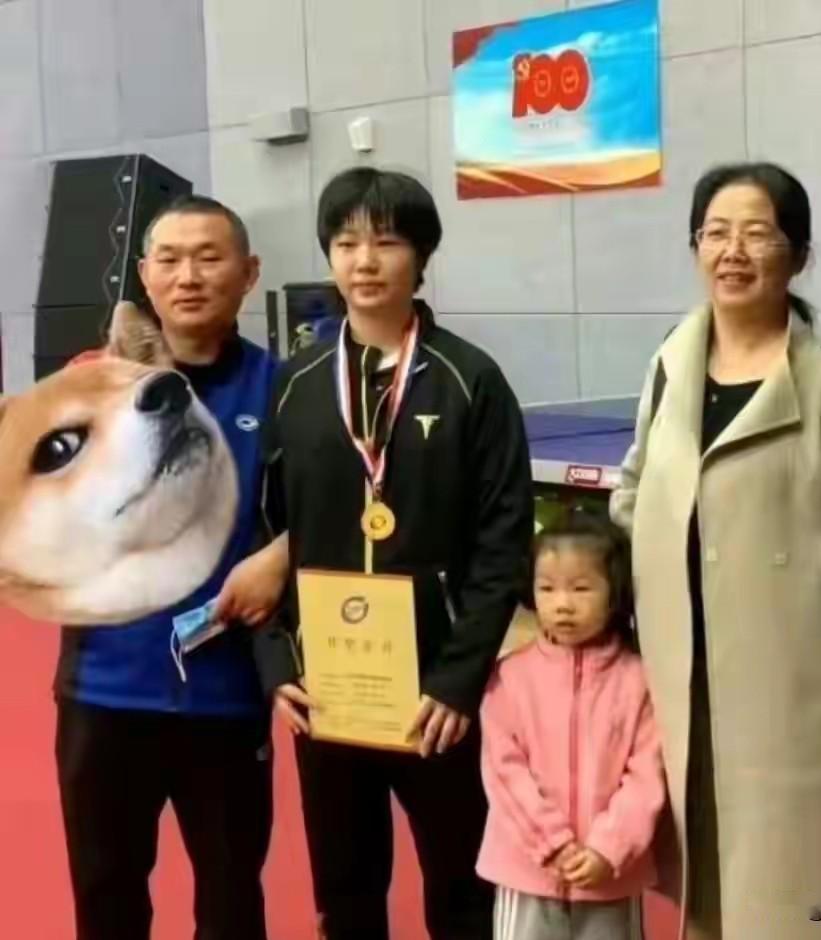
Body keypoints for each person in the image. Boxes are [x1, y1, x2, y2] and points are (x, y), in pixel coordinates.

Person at [610, 162, 821, 940]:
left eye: (758, 233)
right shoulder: (669, 368)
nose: (734, 251)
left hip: (804, 693)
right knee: (711, 887)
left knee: (803, 890)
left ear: (799, 254)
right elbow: (634, 486)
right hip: (687, 680)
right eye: (715, 233)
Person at [254, 166, 535, 940]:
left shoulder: (471, 380)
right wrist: (278, 662)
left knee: (463, 889)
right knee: (345, 892)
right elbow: (263, 530)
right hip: (329, 689)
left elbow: (504, 539)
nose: (365, 261)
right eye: (346, 243)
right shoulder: (295, 384)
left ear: (422, 255)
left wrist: (458, 680)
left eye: (386, 242)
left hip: (436, 696)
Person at [55, 195, 287, 940]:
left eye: (210, 258)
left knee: (231, 897)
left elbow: (334, 508)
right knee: (106, 895)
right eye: (171, 259)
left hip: (227, 696)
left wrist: (282, 556)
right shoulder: (90, 386)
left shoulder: (284, 389)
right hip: (104, 691)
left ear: (249, 273)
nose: (189, 276)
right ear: (145, 276)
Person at [476, 510, 665, 940]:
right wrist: (553, 844)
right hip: (527, 870)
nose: (562, 604)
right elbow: (504, 773)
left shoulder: (639, 680)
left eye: (581, 588)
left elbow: (647, 776)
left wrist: (608, 849)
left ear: (614, 593)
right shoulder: (509, 678)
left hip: (611, 875)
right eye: (547, 588)